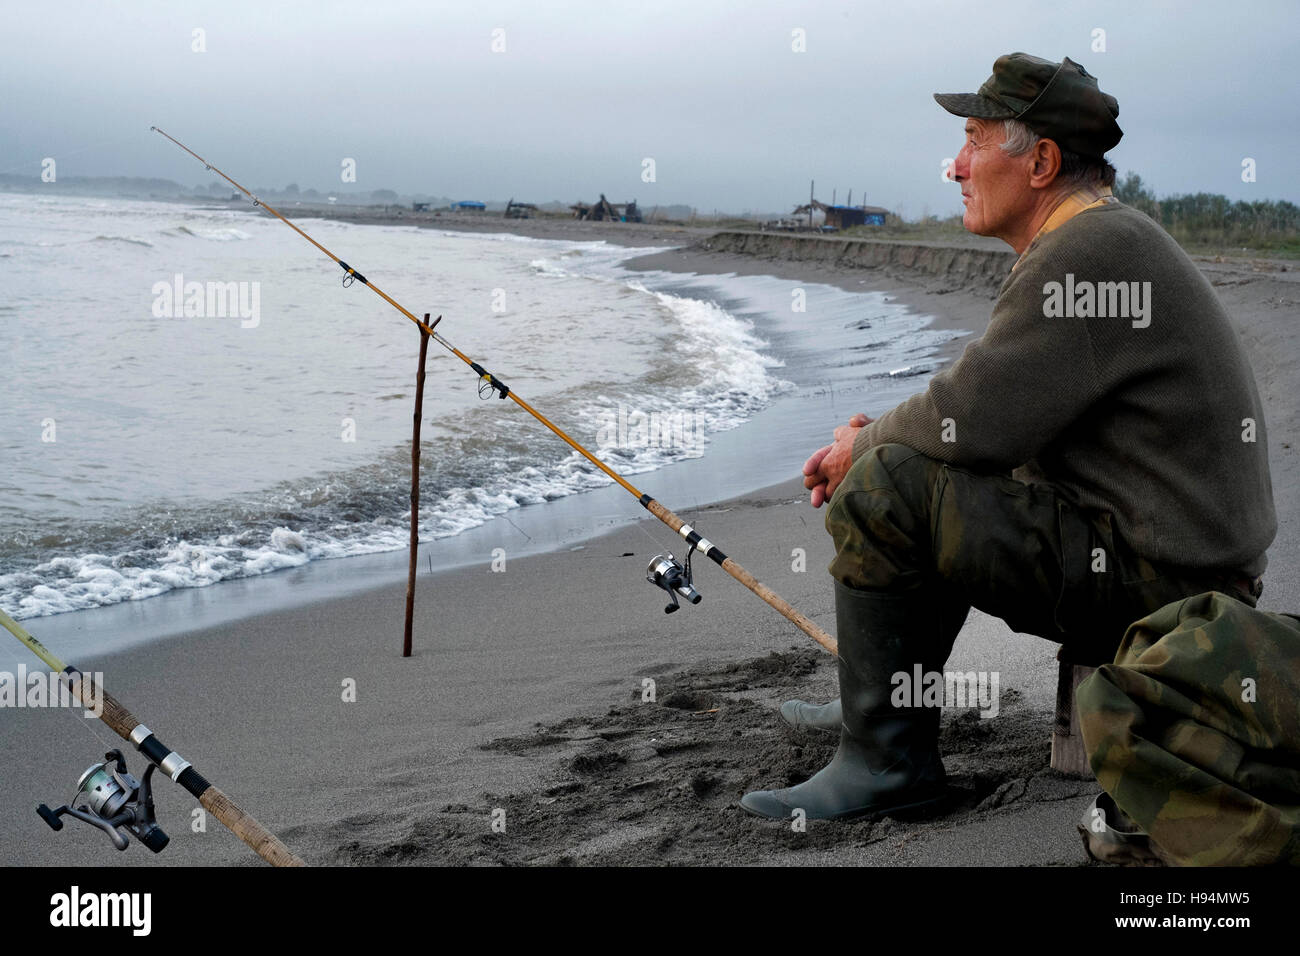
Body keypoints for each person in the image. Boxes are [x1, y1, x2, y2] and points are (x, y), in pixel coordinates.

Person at [740, 52, 1276, 821]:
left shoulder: (1088, 253)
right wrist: (880, 440)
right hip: (1173, 564)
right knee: (909, 468)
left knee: (886, 488)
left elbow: (972, 415)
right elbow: (986, 417)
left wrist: (858, 451)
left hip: (1171, 594)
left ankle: (885, 762)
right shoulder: (1094, 241)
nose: (955, 166)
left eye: (973, 140)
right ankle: (881, 701)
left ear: (1042, 162)